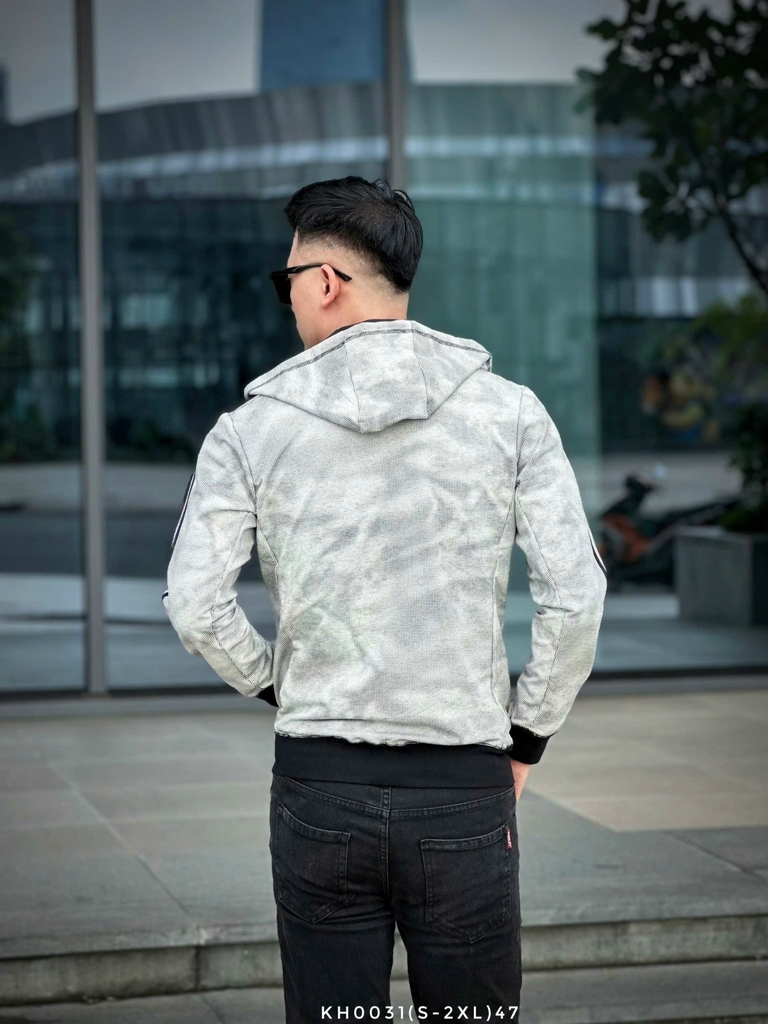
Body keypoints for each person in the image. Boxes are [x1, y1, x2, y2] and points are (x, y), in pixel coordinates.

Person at [164, 175, 607, 1022]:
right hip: (464, 786)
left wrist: (276, 683)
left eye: (289, 279)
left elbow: (193, 603)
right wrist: (527, 735)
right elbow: (577, 596)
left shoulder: (250, 429)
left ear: (328, 281)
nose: (290, 297)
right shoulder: (510, 414)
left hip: (320, 784)